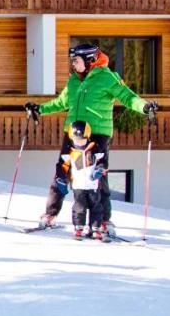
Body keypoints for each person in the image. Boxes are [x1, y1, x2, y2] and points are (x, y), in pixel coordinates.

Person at [26, 42, 157, 232]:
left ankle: (103, 220)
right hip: (73, 133)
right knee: (62, 171)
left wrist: (144, 107)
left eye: (76, 61)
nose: (73, 65)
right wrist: (40, 108)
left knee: (97, 175)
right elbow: (61, 102)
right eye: (72, 61)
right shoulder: (74, 80)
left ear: (90, 61)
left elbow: (128, 97)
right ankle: (50, 214)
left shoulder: (107, 77)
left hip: (97, 133)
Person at [62, 120, 107, 240]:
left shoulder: (94, 149)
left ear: (88, 137)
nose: (80, 143)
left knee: (96, 207)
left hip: (93, 185)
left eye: (82, 140)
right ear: (72, 138)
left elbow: (102, 162)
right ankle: (78, 228)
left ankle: (96, 229)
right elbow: (63, 166)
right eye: (77, 140)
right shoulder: (70, 152)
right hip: (78, 185)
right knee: (79, 207)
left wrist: (99, 170)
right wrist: (60, 178)